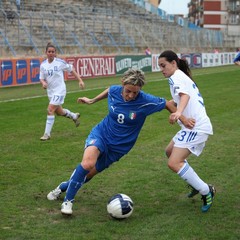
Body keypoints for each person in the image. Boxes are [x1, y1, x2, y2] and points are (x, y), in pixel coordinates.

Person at [47, 68, 195, 215]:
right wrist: (92, 100)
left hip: (119, 147)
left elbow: (167, 104)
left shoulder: (145, 101)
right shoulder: (115, 90)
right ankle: (68, 201)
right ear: (122, 84)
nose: (131, 95)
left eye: (135, 92)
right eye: (128, 91)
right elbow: (110, 90)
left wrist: (183, 118)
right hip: (101, 134)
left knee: (88, 174)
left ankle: (64, 186)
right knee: (87, 163)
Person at [158, 50, 215, 213]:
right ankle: (195, 184)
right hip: (191, 126)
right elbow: (179, 98)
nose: (162, 69)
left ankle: (206, 190)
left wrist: (178, 112)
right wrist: (174, 108)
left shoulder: (176, 76)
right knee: (169, 152)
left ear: (173, 63)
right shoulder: (178, 76)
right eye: (160, 66)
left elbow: (184, 96)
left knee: (174, 163)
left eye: (163, 65)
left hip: (196, 126)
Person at [39, 42, 85, 141]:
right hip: (50, 92)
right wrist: (43, 83)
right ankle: (74, 116)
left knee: (50, 109)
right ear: (46, 52)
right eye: (49, 51)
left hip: (60, 90)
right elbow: (42, 78)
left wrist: (80, 80)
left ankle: (47, 134)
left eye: (53, 52)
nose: (51, 53)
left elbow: (71, 69)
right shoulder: (43, 65)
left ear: (55, 53)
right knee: (59, 112)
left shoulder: (60, 62)